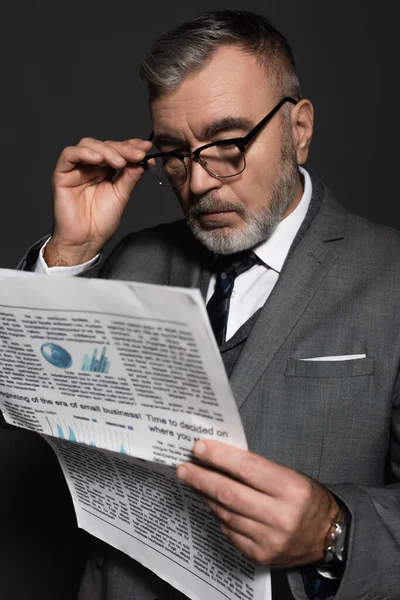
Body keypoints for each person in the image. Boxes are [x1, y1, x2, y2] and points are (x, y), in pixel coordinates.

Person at [19, 9, 400, 600]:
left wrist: (335, 531)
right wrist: (71, 253)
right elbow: (34, 406)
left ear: (299, 129)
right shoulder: (132, 259)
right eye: (174, 153)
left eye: (227, 145)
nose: (197, 184)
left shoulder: (391, 276)